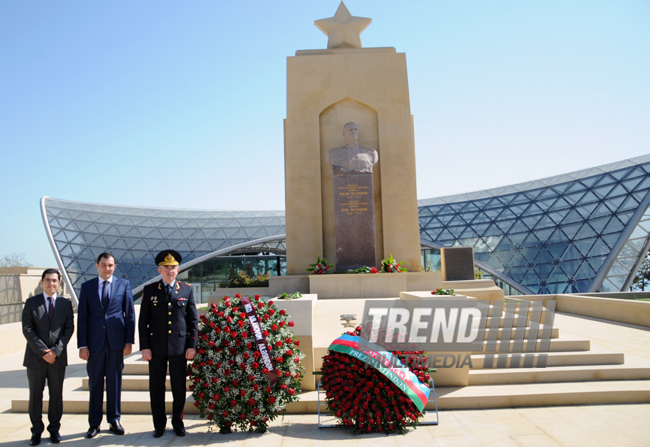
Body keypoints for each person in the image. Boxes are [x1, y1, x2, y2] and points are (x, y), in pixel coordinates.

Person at [138, 250, 198, 438]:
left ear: (178, 270)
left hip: (180, 348)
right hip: (156, 348)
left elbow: (193, 321)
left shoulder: (186, 289)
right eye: (166, 268)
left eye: (173, 268)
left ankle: (178, 423)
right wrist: (145, 347)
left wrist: (192, 345)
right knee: (156, 387)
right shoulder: (150, 290)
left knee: (179, 387)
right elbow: (143, 322)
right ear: (159, 270)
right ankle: (159, 424)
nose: (169, 271)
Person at [77, 252, 135, 438]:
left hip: (116, 343)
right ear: (97, 266)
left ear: (114, 267)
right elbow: (83, 318)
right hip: (94, 344)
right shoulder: (87, 287)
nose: (107, 268)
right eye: (103, 265)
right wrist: (82, 345)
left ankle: (114, 419)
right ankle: (94, 423)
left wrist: (128, 341)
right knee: (95, 384)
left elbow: (130, 316)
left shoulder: (123, 285)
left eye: (110, 265)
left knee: (115, 382)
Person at [22, 269, 74, 446]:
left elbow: (69, 329)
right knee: (35, 395)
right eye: (47, 280)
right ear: (42, 282)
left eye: (54, 281)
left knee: (56, 396)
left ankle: (54, 430)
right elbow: (27, 329)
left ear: (59, 283)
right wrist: (44, 352)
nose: (51, 284)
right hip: (35, 358)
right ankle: (36, 431)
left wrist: (55, 351)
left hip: (57, 359)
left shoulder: (65, 304)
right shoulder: (31, 303)